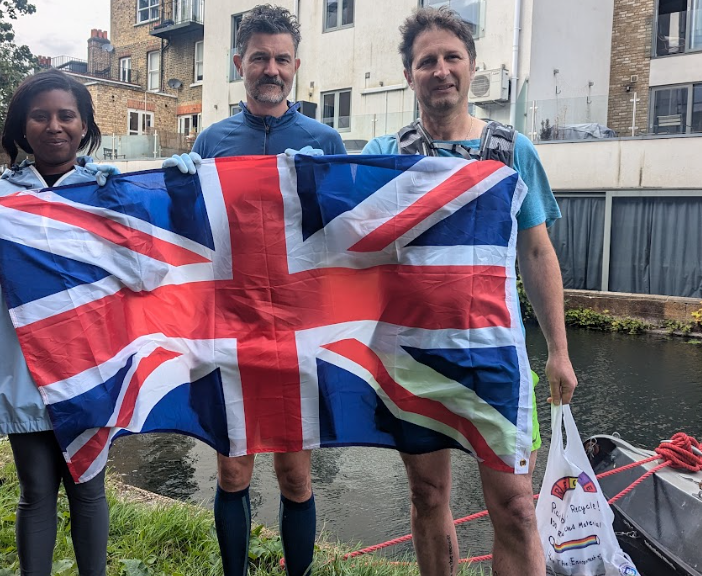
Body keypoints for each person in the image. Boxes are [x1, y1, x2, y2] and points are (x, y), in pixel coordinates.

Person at [362, 7, 578, 576]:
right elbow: (338, 231)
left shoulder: (511, 151)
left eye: (451, 57)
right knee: (429, 500)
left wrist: (558, 349)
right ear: (409, 75)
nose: (440, 70)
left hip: (495, 359)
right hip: (412, 357)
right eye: (425, 61)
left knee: (515, 509)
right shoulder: (387, 155)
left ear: (472, 65)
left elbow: (537, 253)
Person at [163, 5, 345, 576]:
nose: (272, 69)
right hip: (232, 322)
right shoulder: (214, 138)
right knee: (233, 471)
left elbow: (345, 235)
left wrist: (323, 188)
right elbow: (188, 235)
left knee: (295, 475)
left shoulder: (325, 137)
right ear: (238, 62)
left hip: (298, 327)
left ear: (296, 65)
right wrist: (173, 189)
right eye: (260, 58)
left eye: (282, 58)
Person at [0, 69, 117, 576]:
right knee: (36, 491)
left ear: (85, 126)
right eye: (40, 116)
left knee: (89, 490)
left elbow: (150, 278)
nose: (54, 126)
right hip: (23, 370)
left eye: (67, 115)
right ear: (22, 128)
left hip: (92, 369)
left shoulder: (108, 195)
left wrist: (178, 193)